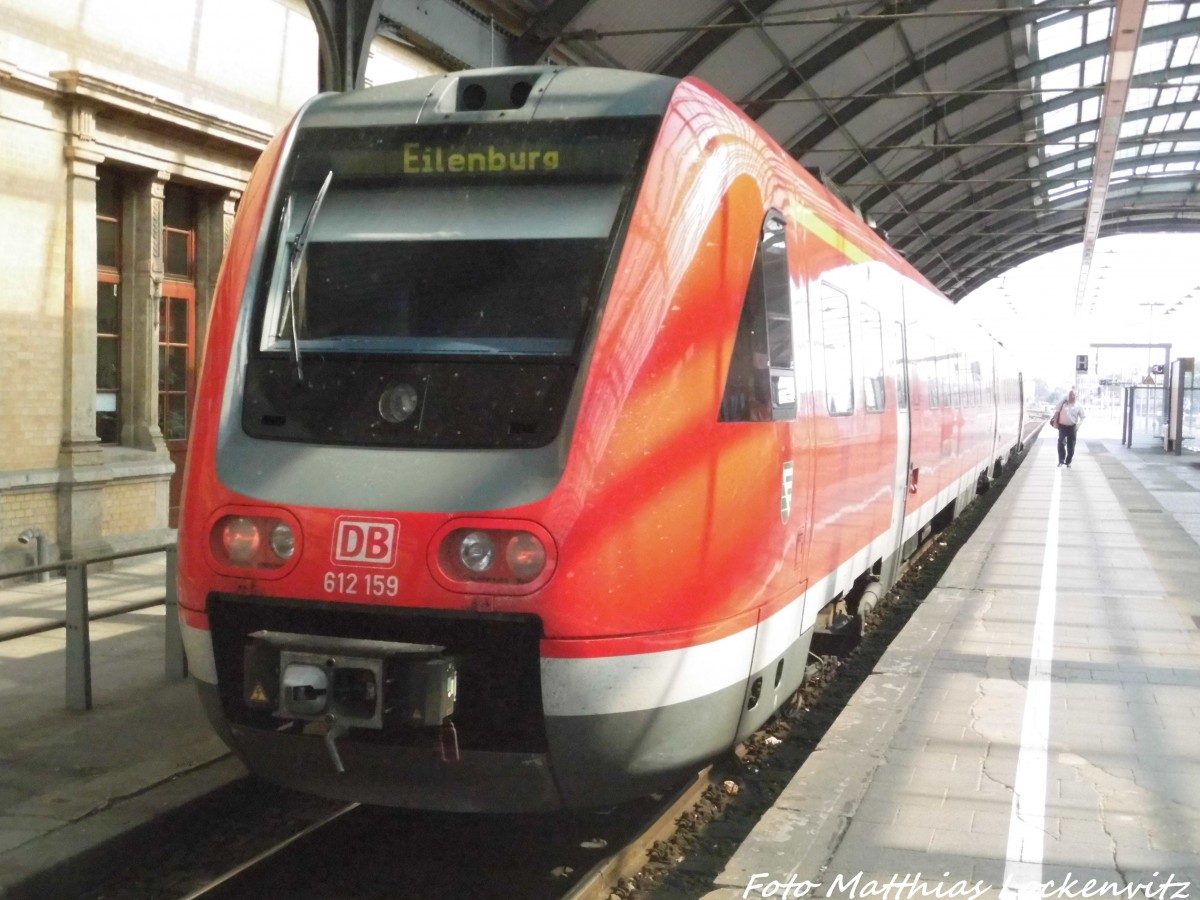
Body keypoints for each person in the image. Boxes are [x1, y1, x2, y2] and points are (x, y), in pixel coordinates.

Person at [1053, 389, 1085, 467]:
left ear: (1076, 396)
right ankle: (1061, 461)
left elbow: (1083, 417)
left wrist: (1078, 425)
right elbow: (1057, 411)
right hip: (1062, 427)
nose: (1071, 397)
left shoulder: (1079, 406)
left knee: (1071, 446)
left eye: (1073, 395)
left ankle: (1068, 462)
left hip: (1072, 428)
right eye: (1070, 395)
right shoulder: (1063, 403)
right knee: (1061, 443)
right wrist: (1055, 422)